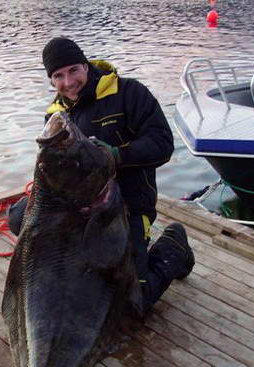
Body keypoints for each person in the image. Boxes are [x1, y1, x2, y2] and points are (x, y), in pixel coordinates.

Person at [10, 36, 195, 314]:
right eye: (58, 76)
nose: (69, 82)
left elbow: (163, 145)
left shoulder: (129, 92)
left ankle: (174, 246)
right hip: (77, 208)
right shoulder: (54, 115)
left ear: (86, 66)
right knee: (17, 218)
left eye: (73, 70)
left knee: (134, 303)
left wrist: (117, 155)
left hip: (127, 205)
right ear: (51, 82)